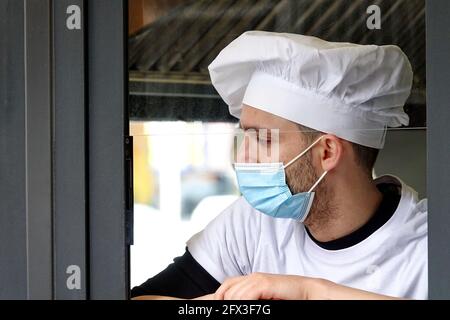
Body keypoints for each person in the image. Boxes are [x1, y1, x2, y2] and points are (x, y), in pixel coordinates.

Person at [131, 31, 427, 300]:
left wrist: (309, 292)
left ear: (326, 152)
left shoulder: (426, 245)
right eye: (244, 138)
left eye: (262, 139)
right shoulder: (254, 225)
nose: (243, 158)